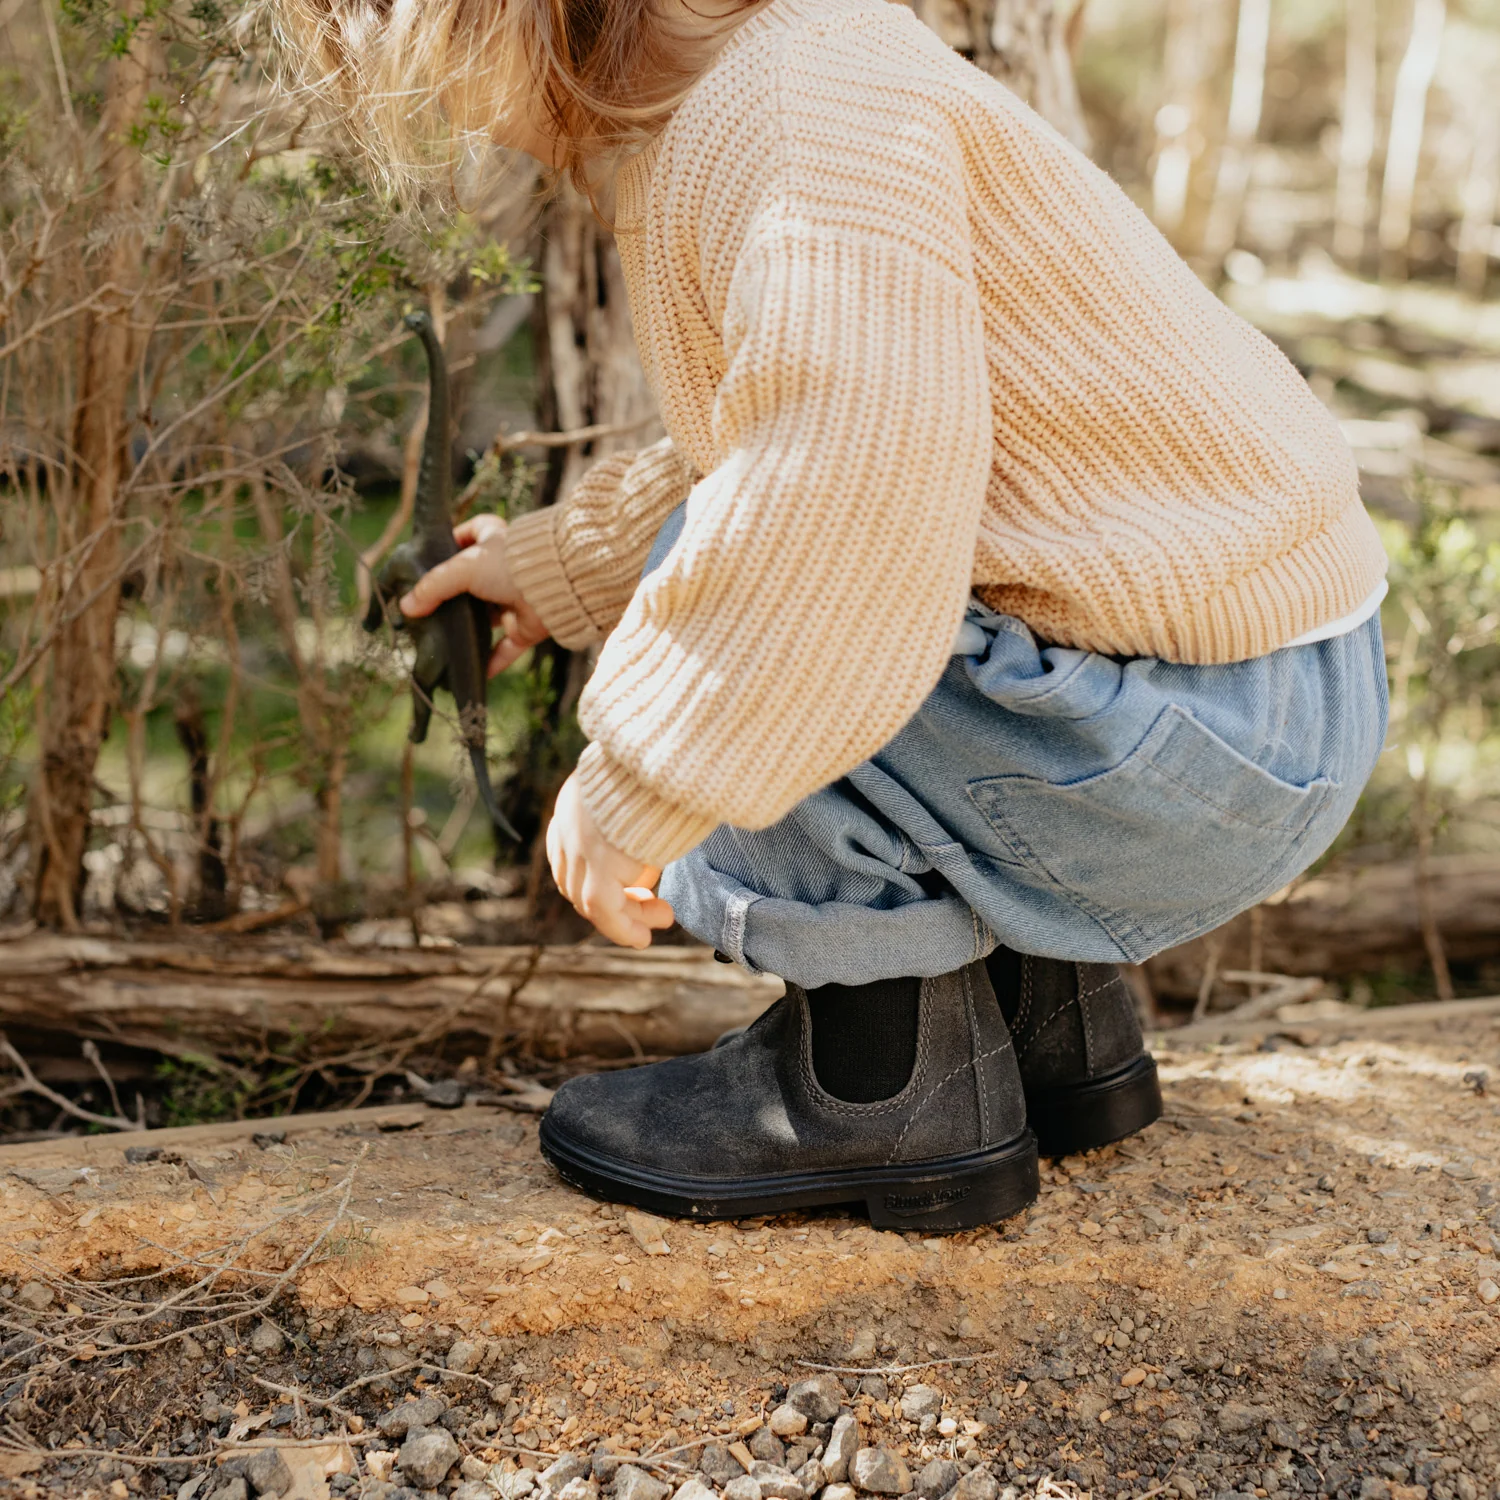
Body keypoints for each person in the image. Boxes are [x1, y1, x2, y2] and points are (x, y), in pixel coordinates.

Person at [277, 0, 1390, 1231]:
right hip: (1254, 695)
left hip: (1197, 742)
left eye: (415, 67)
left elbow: (837, 494)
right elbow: (798, 423)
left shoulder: (784, 109)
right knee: (790, 548)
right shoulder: (799, 69)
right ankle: (1051, 1032)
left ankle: (877, 1086)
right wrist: (563, 563)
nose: (443, 115)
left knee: (788, 578)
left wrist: (639, 771)